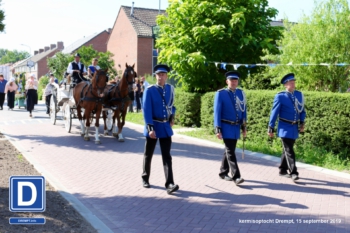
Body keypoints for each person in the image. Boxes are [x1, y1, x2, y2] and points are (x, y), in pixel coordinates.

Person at [141, 64, 179, 195]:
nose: (160, 77)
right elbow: (146, 111)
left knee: (167, 156)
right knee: (148, 154)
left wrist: (172, 117)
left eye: (163, 75)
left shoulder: (170, 89)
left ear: (166, 76)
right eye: (158, 75)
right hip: (154, 125)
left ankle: (169, 183)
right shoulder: (150, 90)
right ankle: (145, 177)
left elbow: (172, 105)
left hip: (165, 127)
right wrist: (150, 128)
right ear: (155, 76)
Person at [268, 73, 306, 182]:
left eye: (294, 82)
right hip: (284, 127)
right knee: (289, 150)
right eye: (291, 83)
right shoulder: (280, 96)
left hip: (294, 127)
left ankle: (282, 169)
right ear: (285, 85)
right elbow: (274, 113)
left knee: (287, 150)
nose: (293, 84)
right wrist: (271, 127)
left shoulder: (299, 95)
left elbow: (302, 111)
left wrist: (302, 123)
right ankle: (294, 172)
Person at [214, 71, 247, 185]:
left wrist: (244, 127)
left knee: (229, 150)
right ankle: (236, 176)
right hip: (226, 126)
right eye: (231, 80)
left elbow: (243, 111)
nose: (233, 82)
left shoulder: (241, 93)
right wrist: (217, 129)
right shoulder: (221, 93)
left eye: (235, 80)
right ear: (227, 81)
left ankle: (223, 172)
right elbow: (217, 113)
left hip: (236, 127)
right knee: (230, 151)